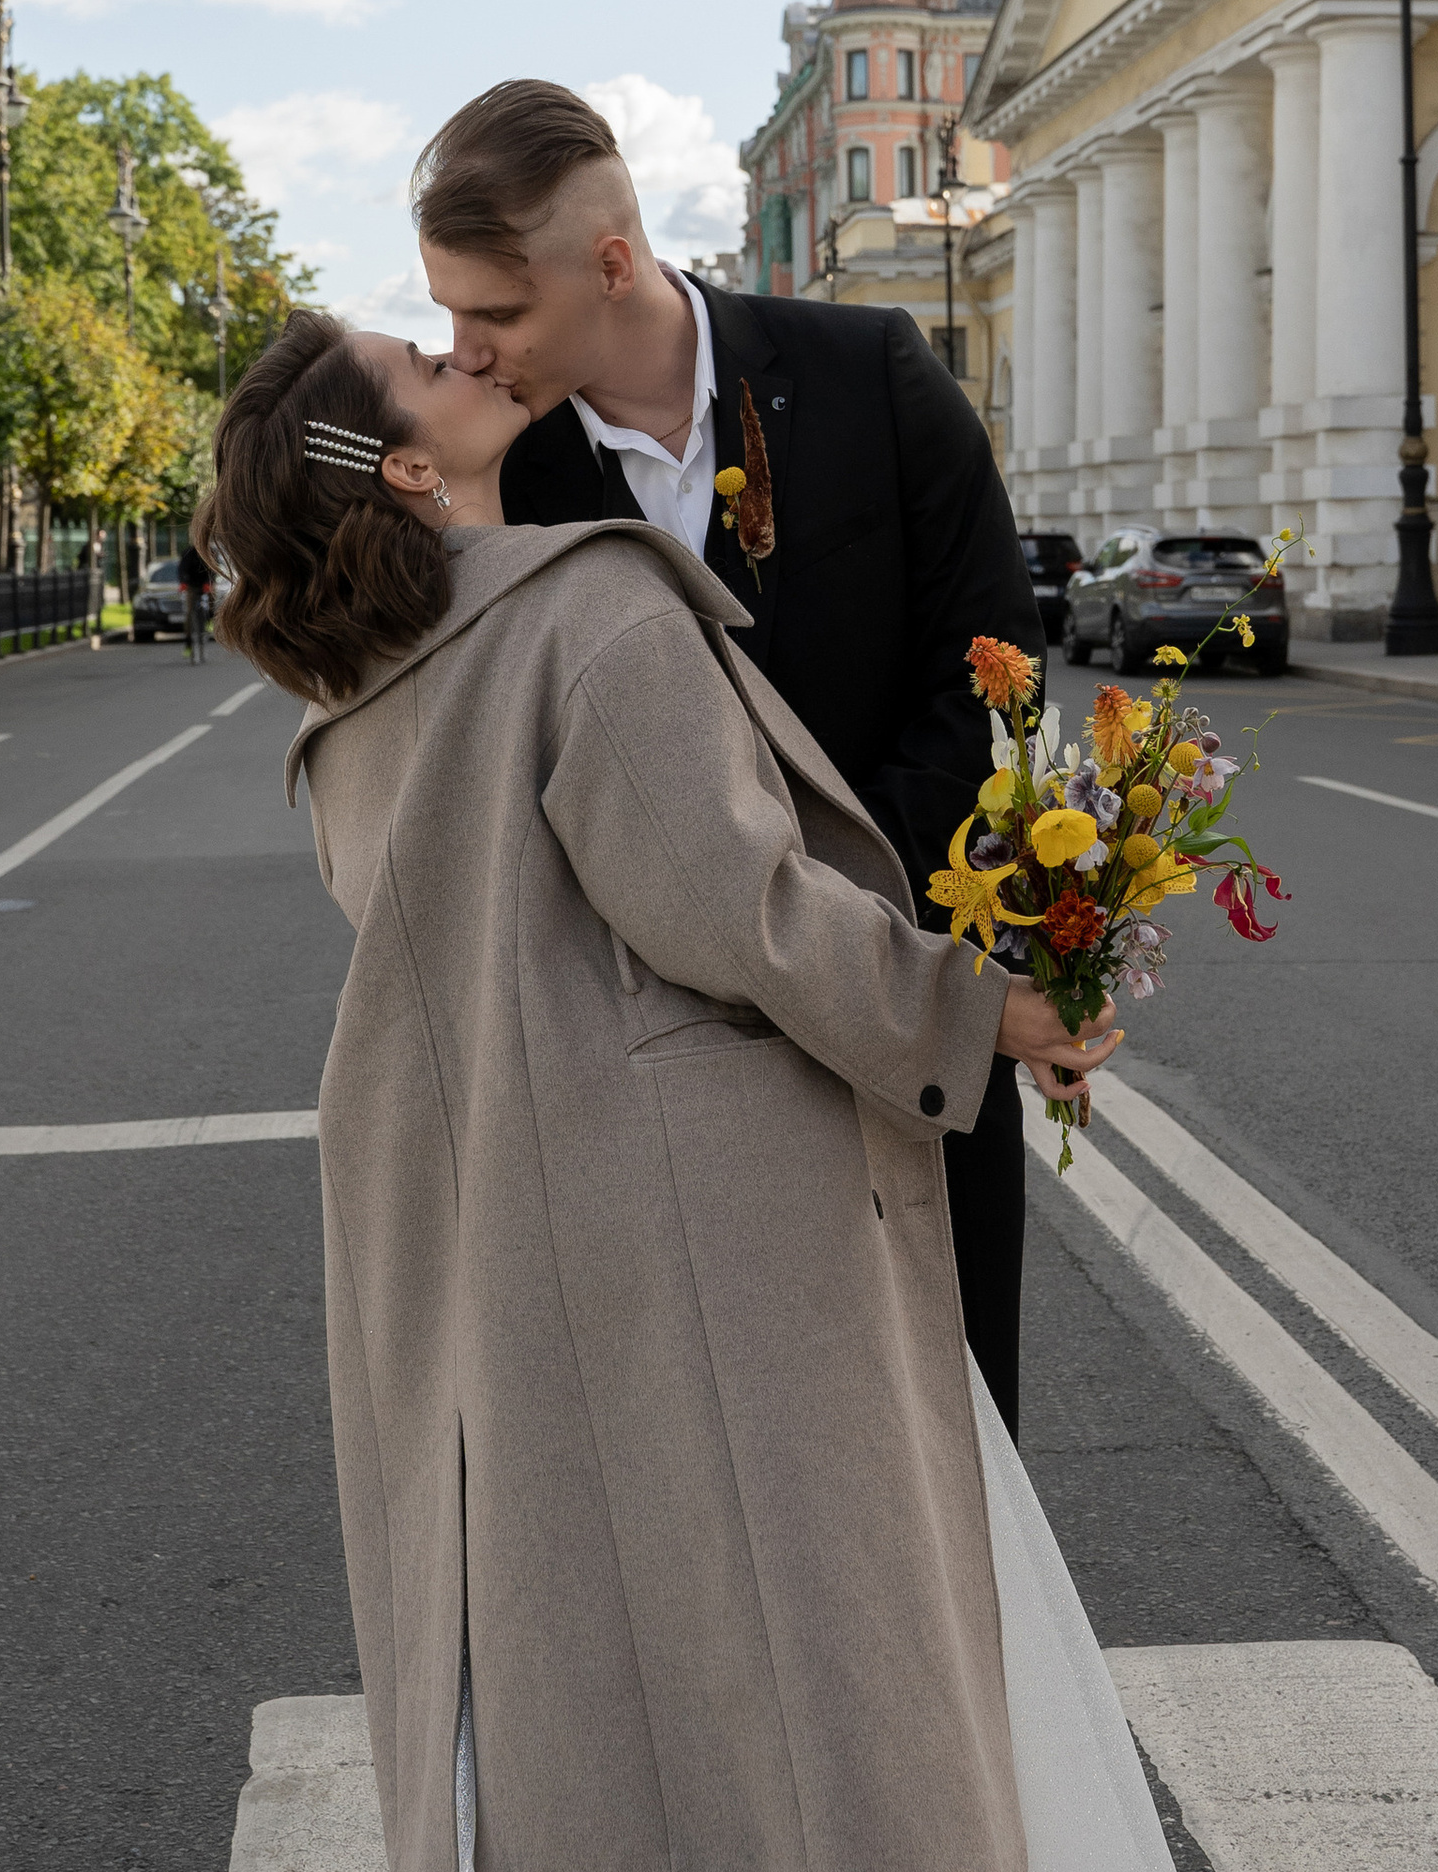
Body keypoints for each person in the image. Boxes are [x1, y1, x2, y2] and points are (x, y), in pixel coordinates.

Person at [192, 306, 1225, 1872]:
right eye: (422, 365)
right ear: (406, 469)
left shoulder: (369, 678)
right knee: (795, 1613)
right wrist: (978, 1014)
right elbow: (734, 910)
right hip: (696, 1206)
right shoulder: (577, 612)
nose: (463, 352)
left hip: (498, 1198)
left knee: (613, 1646)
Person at [413, 82, 1044, 1434]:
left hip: (903, 1012)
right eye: (448, 314)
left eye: (496, 313)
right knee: (728, 1467)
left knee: (956, 1441)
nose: (465, 354)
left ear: (612, 264)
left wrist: (819, 921)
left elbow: (990, 677)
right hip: (654, 1074)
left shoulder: (872, 372)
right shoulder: (502, 474)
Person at [175, 532, 214, 663]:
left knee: (213, 600)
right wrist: (183, 582)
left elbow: (213, 569)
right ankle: (188, 639)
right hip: (192, 586)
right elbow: (182, 569)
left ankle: (211, 619)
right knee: (189, 612)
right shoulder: (188, 553)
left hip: (205, 585)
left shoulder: (210, 552)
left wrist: (209, 583)